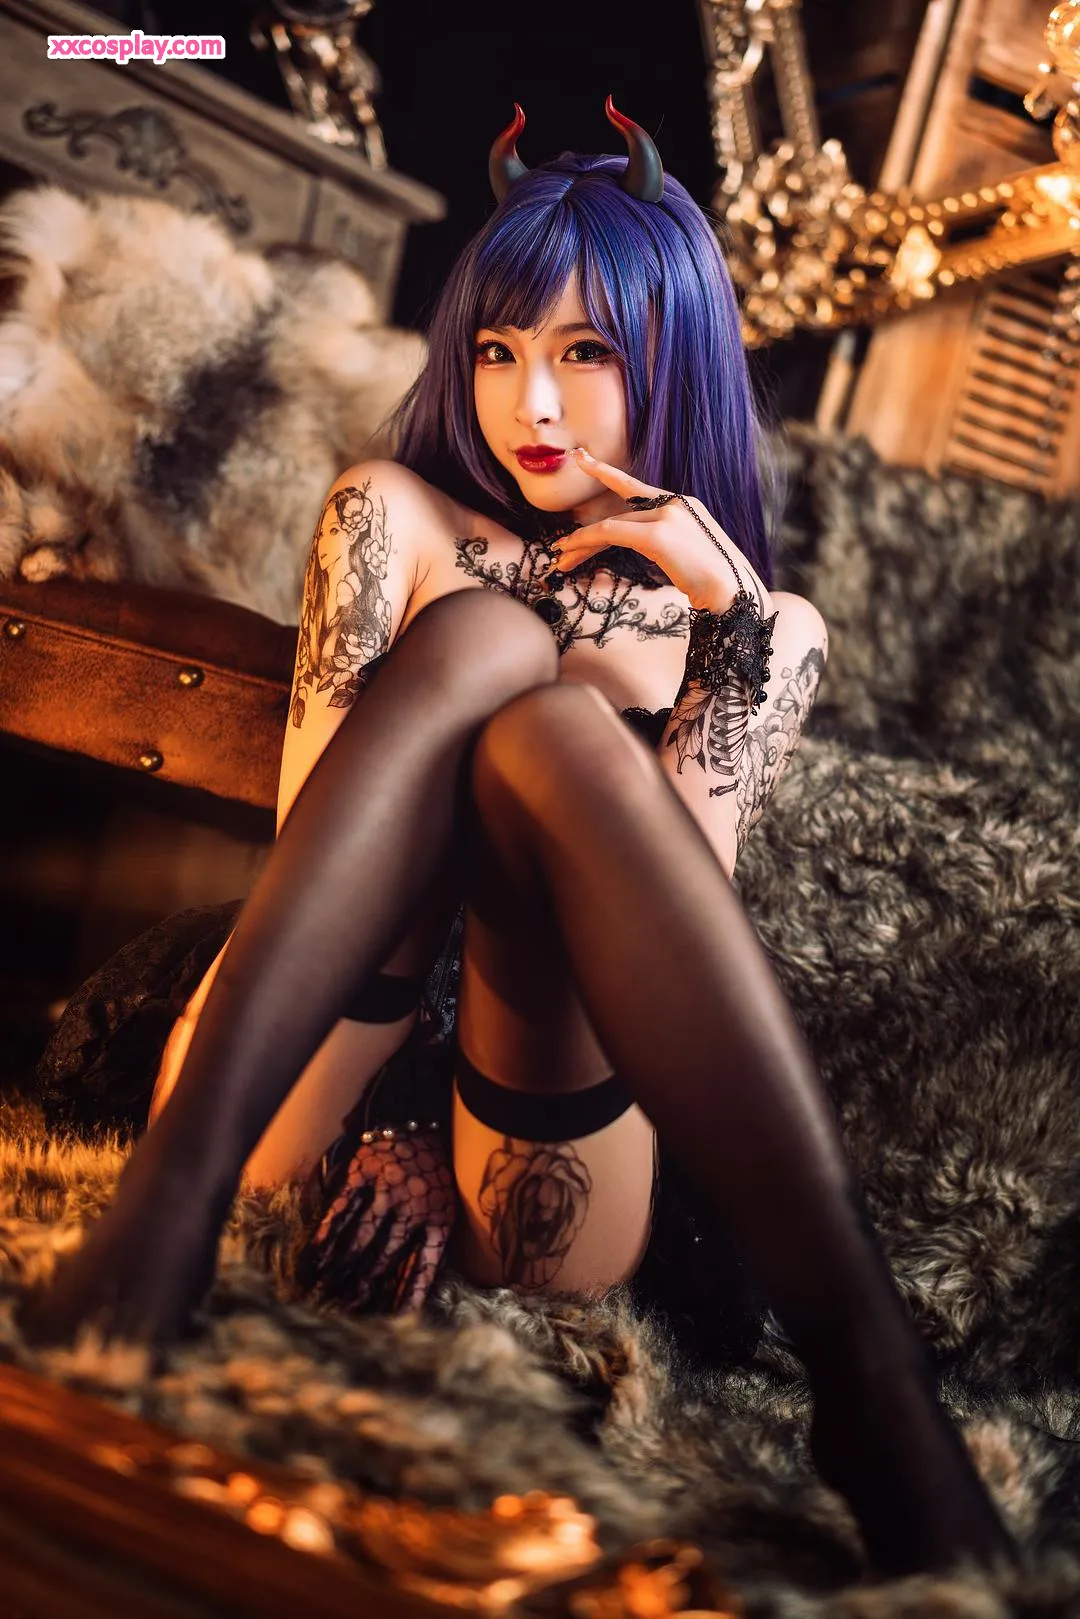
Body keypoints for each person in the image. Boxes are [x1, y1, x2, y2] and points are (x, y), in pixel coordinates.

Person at [23, 99, 1016, 1580]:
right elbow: (321, 862)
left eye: (584, 353)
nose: (529, 405)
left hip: (550, 1151)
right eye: (496, 352)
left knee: (554, 738)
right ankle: (164, 1211)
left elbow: (663, 962)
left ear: (672, 357)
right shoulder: (394, 518)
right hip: (293, 1088)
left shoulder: (766, 629)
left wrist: (728, 635)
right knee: (489, 642)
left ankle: (871, 1385)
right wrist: (391, 1127)